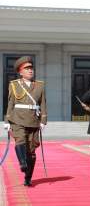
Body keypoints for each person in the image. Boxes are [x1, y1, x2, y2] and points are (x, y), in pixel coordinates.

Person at [4, 56, 47, 187]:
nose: (30, 71)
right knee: (20, 140)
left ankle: (28, 177)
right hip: (18, 119)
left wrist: (43, 120)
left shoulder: (39, 85)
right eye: (26, 69)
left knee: (32, 151)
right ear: (20, 72)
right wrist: (7, 120)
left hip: (33, 120)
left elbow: (43, 103)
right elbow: (10, 103)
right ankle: (22, 163)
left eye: (31, 68)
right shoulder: (14, 85)